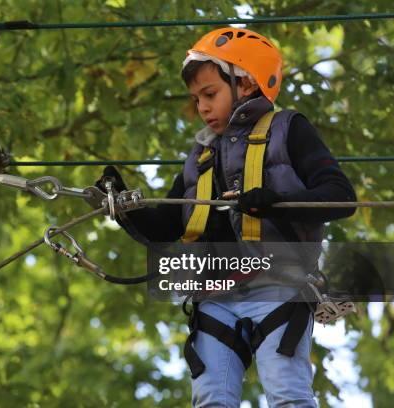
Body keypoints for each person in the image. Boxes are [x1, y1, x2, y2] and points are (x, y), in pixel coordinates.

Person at [95, 27, 356, 407]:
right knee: (211, 398)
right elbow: (166, 229)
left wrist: (276, 201)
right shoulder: (200, 157)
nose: (201, 107)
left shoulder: (288, 130)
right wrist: (122, 206)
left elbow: (340, 197)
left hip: (279, 286)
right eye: (196, 98)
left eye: (210, 94)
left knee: (287, 393)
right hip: (214, 295)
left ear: (247, 84)